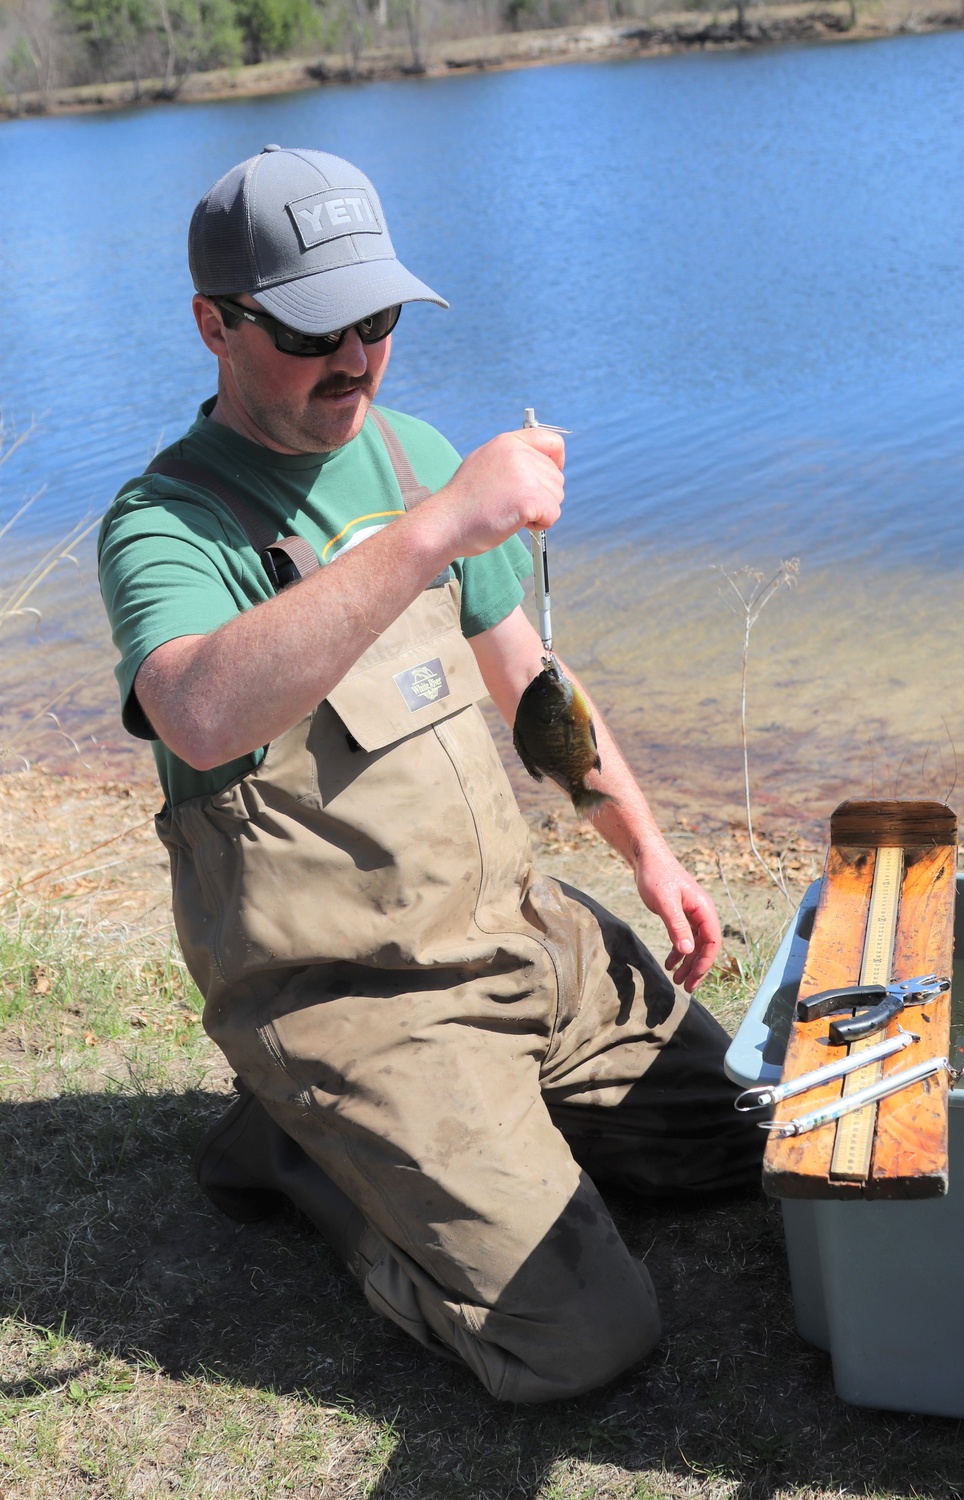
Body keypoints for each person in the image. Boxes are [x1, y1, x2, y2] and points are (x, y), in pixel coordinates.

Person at [98, 145, 762, 1405]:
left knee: (752, 1147)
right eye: (311, 330)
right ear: (214, 325)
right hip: (358, 1003)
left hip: (524, 945)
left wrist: (647, 851)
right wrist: (438, 530)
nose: (355, 359)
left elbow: (536, 693)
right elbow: (192, 710)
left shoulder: (410, 454)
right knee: (579, 1340)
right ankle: (314, 1156)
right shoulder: (167, 523)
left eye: (377, 319)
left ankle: (465, 1135)